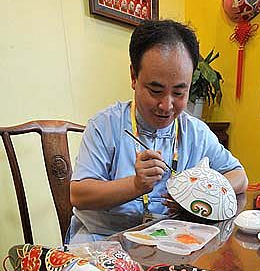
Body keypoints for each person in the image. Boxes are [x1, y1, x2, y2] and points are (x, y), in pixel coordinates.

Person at [68, 19, 248, 243]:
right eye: (155, 90)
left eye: (179, 93)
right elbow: (79, 195)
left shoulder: (195, 132)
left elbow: (239, 177)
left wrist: (200, 192)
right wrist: (135, 185)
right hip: (105, 241)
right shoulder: (105, 126)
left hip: (174, 242)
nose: (167, 105)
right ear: (134, 77)